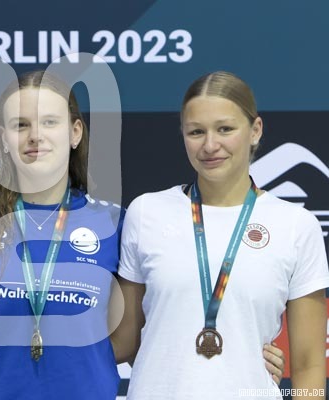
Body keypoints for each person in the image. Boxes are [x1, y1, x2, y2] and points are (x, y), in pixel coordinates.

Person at [0, 70, 286, 399]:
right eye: (21, 125)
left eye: (49, 122)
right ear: (3, 137)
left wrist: (241, 355)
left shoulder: (115, 223)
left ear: (75, 132)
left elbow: (157, 326)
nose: (35, 136)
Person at [113, 71, 329, 399]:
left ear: (255, 130)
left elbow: (309, 364)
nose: (210, 145)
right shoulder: (146, 213)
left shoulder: (296, 225)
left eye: (225, 129)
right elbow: (126, 341)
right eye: (196, 131)